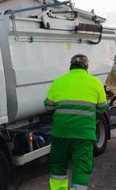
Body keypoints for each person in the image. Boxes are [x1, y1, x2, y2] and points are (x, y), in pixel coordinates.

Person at [44, 54, 109, 190]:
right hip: (83, 135)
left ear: (70, 65)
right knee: (81, 169)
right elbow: (103, 107)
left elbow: (48, 107)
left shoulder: (58, 81)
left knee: (58, 166)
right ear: (87, 66)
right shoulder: (95, 82)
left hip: (60, 133)